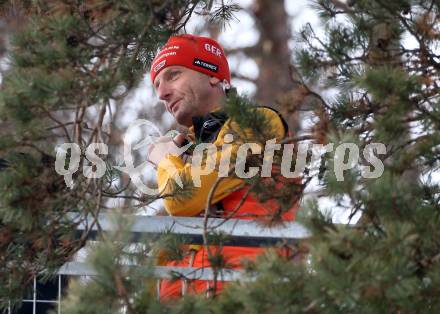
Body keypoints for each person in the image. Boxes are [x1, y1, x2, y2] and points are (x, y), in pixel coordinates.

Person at [148, 34, 300, 300]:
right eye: (157, 84)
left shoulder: (257, 123)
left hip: (245, 293)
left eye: (173, 75)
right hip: (185, 299)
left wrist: (165, 161)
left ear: (214, 75)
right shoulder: (187, 150)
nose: (162, 93)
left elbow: (183, 197)